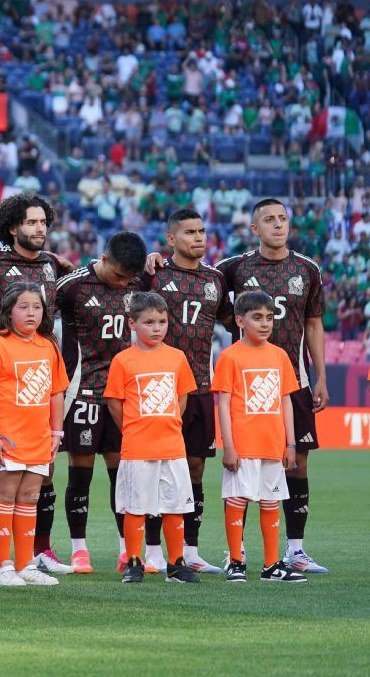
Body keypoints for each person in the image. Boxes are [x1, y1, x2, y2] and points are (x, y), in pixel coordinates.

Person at [213, 199, 328, 574]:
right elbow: (198, 282)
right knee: (242, 472)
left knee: (296, 463)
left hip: (292, 378)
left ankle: (295, 550)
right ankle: (237, 554)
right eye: (269, 220)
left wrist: (321, 376)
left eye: (282, 219)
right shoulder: (233, 268)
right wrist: (156, 261)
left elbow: (313, 324)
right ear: (254, 228)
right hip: (247, 380)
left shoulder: (307, 269)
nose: (278, 225)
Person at [0, 192, 71, 575]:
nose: (39, 229)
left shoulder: (53, 265)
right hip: (4, 375)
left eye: (43, 222)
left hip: (40, 373)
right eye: (31, 222)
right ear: (13, 227)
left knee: (41, 476)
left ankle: (38, 552)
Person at [136, 209, 229, 573]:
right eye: (190, 231)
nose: (199, 237)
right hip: (160, 389)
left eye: (203, 231)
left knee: (194, 470)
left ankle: (190, 551)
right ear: (171, 238)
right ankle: (154, 549)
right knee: (158, 470)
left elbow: (229, 319)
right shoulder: (155, 275)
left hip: (201, 387)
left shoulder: (216, 279)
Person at [55, 231, 147, 574]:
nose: (124, 284)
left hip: (123, 395)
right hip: (82, 392)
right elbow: (33, 310)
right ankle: (79, 550)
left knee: (122, 474)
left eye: (129, 278)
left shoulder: (138, 285)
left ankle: (127, 548)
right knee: (80, 473)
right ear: (104, 260)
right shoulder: (73, 286)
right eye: (119, 275)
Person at [0, 282, 69, 586]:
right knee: (6, 495)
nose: (31, 313)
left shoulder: (48, 345)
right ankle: (3, 567)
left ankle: (26, 565)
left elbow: (56, 393)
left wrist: (56, 432)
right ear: (8, 312)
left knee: (29, 497)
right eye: (23, 307)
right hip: (7, 437)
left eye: (37, 307)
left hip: (39, 437)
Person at [101, 292, 201, 584]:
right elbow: (114, 404)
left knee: (176, 506)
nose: (157, 328)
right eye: (148, 322)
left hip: (172, 446)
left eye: (162, 322)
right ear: (132, 324)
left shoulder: (177, 357)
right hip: (136, 447)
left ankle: (176, 563)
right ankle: (134, 561)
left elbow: (181, 398)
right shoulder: (123, 361)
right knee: (136, 506)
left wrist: (167, 424)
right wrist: (134, 429)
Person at [212, 291, 306, 583]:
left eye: (269, 317)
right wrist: (228, 446)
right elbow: (224, 404)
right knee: (238, 499)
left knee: (270, 501)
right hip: (243, 444)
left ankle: (271, 565)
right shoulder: (230, 357)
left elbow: (286, 401)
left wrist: (291, 443)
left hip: (272, 443)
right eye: (257, 317)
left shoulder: (279, 356)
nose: (265, 323)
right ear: (240, 321)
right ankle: (236, 561)